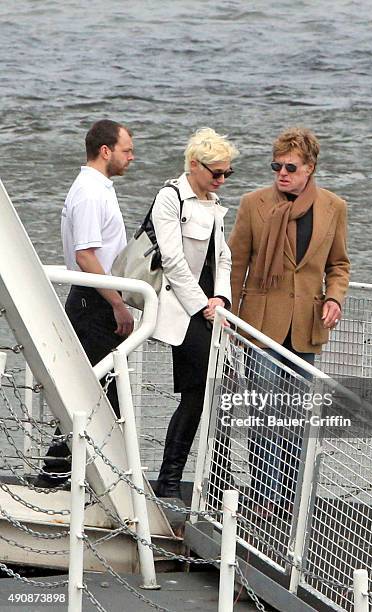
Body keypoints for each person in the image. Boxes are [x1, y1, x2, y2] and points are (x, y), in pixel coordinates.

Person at [228, 126, 350, 514]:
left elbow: (339, 264)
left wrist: (334, 298)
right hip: (260, 324)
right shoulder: (254, 204)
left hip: (307, 324)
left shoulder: (333, 207)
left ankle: (291, 498)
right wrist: (230, 315)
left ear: (309, 168)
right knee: (264, 412)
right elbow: (236, 263)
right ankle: (264, 497)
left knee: (296, 413)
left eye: (290, 167)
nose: (282, 173)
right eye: (276, 166)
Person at [35, 119, 135, 488]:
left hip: (92, 299)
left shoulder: (95, 188)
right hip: (92, 301)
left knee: (98, 395)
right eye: (127, 150)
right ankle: (68, 479)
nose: (132, 157)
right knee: (98, 396)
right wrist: (118, 304)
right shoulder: (91, 192)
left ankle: (80, 478)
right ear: (105, 151)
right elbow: (86, 257)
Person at [152, 127, 239, 499]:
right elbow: (171, 260)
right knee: (205, 387)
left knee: (211, 390)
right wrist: (201, 305)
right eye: (215, 172)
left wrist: (221, 298)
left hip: (209, 311)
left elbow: (223, 257)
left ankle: (209, 482)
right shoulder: (170, 198)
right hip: (183, 308)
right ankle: (173, 480)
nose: (221, 180)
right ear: (193, 164)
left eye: (226, 174)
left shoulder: (213, 204)